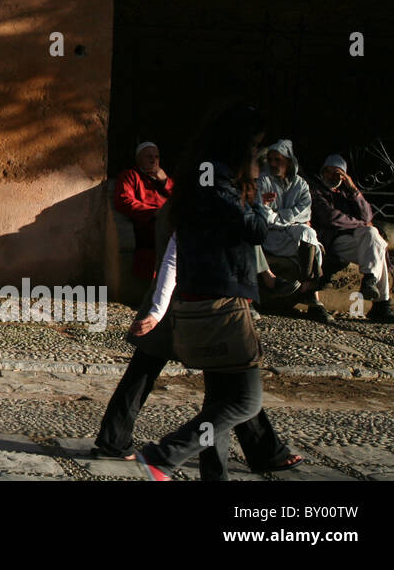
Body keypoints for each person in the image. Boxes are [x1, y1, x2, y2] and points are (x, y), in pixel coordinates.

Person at [134, 102, 276, 481]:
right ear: (239, 143)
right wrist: (258, 198)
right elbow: (255, 230)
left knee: (219, 401)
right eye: (256, 146)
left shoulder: (201, 176)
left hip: (206, 298)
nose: (258, 155)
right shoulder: (217, 180)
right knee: (246, 400)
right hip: (221, 304)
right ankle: (164, 455)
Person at [94, 230, 303, 476]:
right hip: (197, 307)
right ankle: (157, 452)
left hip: (200, 305)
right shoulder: (207, 203)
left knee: (227, 392)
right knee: (233, 393)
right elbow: (174, 254)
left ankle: (258, 453)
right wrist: (158, 310)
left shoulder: (214, 202)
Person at [311, 154, 394, 325]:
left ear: (344, 176)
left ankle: (370, 279)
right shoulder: (317, 192)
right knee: (377, 244)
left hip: (360, 242)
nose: (331, 177)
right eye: (328, 172)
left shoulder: (348, 194)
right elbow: (331, 218)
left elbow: (368, 215)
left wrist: (354, 189)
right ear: (323, 172)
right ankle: (382, 306)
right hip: (336, 242)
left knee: (372, 235)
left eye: (336, 173)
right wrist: (361, 224)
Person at [257, 139, 330, 323]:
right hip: (269, 234)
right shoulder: (264, 180)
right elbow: (263, 213)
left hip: (291, 233)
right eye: (270, 160)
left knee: (309, 233)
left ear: (288, 161)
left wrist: (278, 215)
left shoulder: (301, 185)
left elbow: (304, 213)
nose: (273, 164)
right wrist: (282, 216)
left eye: (277, 160)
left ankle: (309, 288)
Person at [113, 142, 174, 282]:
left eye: (157, 157)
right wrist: (154, 212)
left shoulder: (163, 178)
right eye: (149, 156)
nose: (154, 160)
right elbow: (124, 201)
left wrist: (165, 182)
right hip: (149, 224)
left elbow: (180, 199)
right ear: (139, 159)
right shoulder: (130, 175)